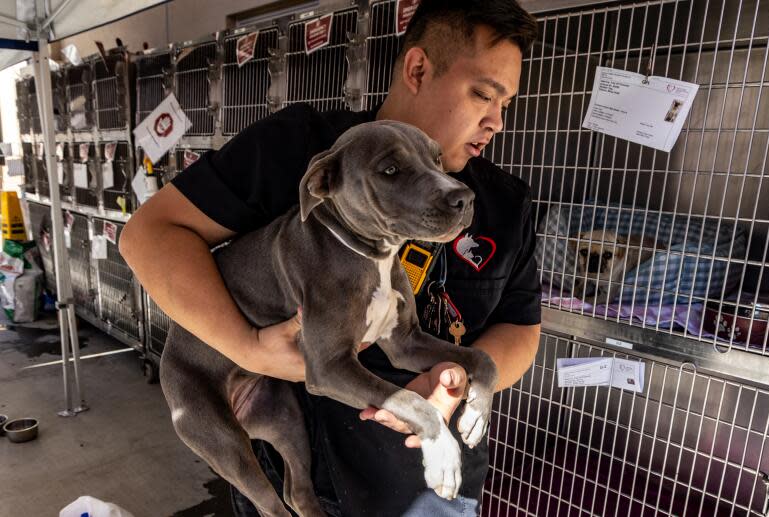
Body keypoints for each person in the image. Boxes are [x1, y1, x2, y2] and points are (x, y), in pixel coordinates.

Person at [120, 1, 541, 515]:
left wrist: (467, 382)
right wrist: (248, 348)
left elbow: (521, 328)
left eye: (506, 105)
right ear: (417, 69)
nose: (495, 121)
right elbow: (148, 235)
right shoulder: (299, 147)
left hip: (427, 480)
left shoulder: (504, 203)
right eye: (483, 94)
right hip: (291, 458)